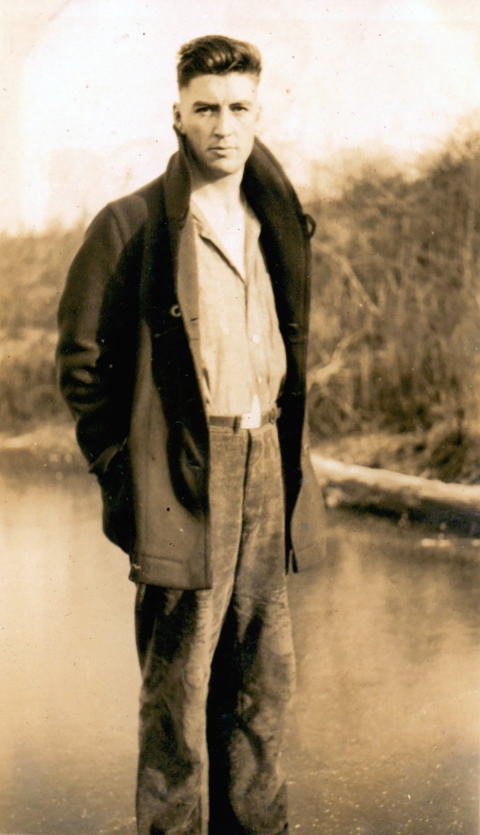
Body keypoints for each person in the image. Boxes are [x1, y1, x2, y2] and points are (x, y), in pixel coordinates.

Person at [57, 34, 325, 835]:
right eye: (205, 108)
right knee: (177, 691)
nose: (223, 126)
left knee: (262, 684)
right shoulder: (130, 224)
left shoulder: (274, 219)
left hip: (267, 458)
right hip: (182, 469)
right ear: (176, 112)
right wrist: (124, 474)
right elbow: (81, 368)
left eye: (239, 107)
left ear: (258, 110)